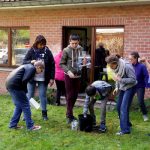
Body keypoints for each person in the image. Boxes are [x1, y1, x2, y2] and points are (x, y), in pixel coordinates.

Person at [23, 35, 55, 120]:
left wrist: (52, 78)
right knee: (29, 95)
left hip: (43, 78)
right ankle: (26, 114)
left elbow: (52, 65)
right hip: (31, 78)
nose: (42, 46)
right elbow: (24, 62)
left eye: (43, 44)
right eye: (40, 44)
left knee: (42, 95)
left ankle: (44, 115)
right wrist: (31, 61)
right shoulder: (31, 51)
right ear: (36, 43)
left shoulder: (47, 51)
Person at [5, 61, 44, 130]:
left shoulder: (28, 66)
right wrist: (25, 91)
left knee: (19, 106)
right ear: (38, 67)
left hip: (10, 84)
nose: (41, 72)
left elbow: (23, 79)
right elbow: (24, 80)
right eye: (41, 70)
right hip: (15, 85)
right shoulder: (32, 69)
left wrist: (24, 91)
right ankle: (31, 126)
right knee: (26, 105)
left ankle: (12, 125)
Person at [106, 55, 137, 135]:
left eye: (111, 65)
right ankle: (127, 124)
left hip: (130, 88)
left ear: (115, 63)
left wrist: (121, 80)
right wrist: (117, 87)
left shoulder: (127, 67)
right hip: (122, 88)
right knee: (119, 107)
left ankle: (125, 130)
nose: (110, 67)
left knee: (123, 108)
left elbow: (133, 80)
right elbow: (117, 78)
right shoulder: (116, 67)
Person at [60, 33, 84, 124]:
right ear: (70, 41)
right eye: (72, 43)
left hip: (78, 75)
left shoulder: (81, 49)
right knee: (70, 95)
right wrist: (68, 71)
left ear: (78, 42)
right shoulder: (66, 50)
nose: (74, 45)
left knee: (75, 94)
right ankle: (69, 115)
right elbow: (62, 63)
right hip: (69, 75)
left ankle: (69, 112)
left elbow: (82, 61)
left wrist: (84, 62)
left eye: (76, 43)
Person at [129, 52, 149, 121]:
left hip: (140, 86)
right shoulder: (129, 66)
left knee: (140, 101)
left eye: (131, 59)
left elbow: (146, 76)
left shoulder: (142, 66)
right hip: (131, 86)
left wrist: (147, 85)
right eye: (129, 59)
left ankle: (145, 114)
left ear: (136, 58)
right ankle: (124, 115)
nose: (130, 60)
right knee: (127, 100)